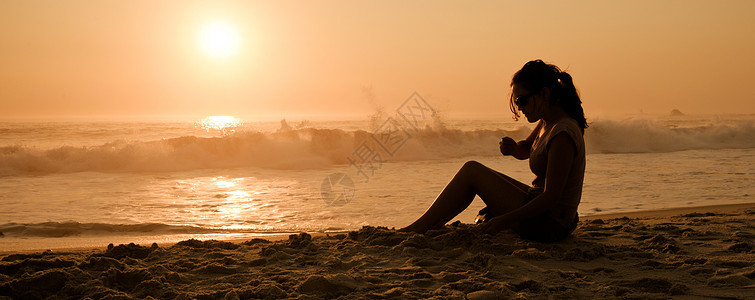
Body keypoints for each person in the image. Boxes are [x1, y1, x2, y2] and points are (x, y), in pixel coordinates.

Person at [400, 59, 587, 242]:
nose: (520, 108)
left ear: (544, 94)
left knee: (472, 171)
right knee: (475, 173)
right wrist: (513, 148)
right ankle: (429, 225)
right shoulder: (547, 122)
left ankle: (417, 228)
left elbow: (551, 197)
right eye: (516, 102)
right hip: (543, 210)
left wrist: (504, 219)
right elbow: (525, 150)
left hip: (550, 224)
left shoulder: (562, 134)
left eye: (522, 101)